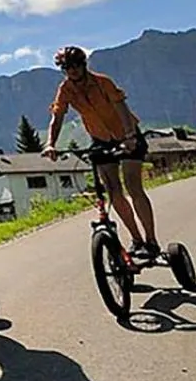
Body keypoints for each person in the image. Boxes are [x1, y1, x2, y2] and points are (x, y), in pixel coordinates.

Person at [42, 45, 161, 260]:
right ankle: (136, 240)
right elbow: (57, 116)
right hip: (100, 140)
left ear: (83, 64)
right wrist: (50, 143)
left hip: (128, 135)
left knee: (133, 186)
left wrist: (129, 136)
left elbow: (121, 108)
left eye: (76, 66)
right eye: (67, 68)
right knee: (113, 191)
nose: (72, 71)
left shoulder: (102, 82)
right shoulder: (66, 89)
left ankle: (151, 241)